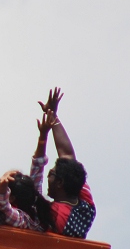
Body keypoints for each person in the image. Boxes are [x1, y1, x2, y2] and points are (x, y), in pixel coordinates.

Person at [32, 88, 95, 238]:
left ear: (60, 183)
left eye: (51, 174)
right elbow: (67, 155)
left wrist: (43, 137)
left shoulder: (53, 214)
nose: (48, 176)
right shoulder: (87, 206)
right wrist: (53, 116)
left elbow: (34, 188)